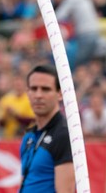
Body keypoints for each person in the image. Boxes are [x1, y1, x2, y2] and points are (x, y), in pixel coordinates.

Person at [20, 65, 74, 193]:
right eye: (33, 89)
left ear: (60, 94)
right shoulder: (29, 136)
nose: (38, 95)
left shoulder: (64, 135)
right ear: (27, 93)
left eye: (45, 89)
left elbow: (65, 191)